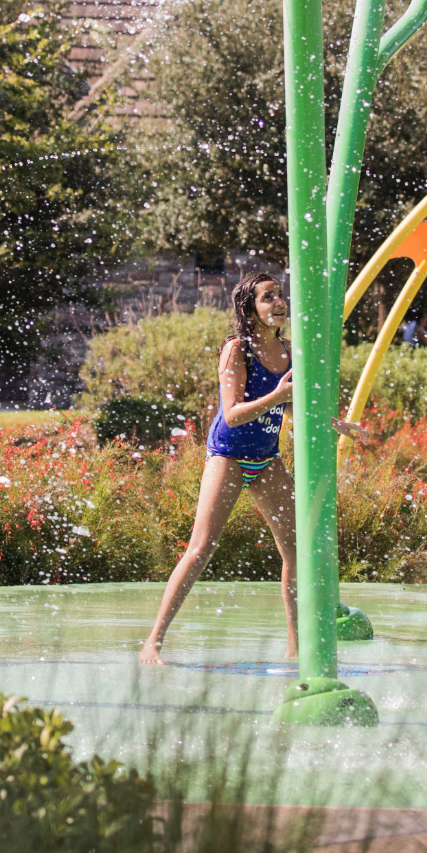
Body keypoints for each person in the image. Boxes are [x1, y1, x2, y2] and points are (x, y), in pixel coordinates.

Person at [141, 273, 366, 665]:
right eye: (267, 297)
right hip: (228, 454)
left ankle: (296, 649)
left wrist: (334, 422)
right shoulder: (236, 350)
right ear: (249, 308)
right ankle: (153, 643)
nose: (278, 302)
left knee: (297, 550)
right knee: (201, 549)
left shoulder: (290, 351)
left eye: (280, 295)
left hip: (266, 459)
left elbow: (294, 406)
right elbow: (232, 414)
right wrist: (276, 394)